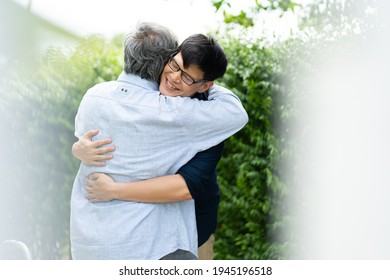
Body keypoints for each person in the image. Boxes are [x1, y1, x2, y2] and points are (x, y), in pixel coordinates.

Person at [71, 22, 248, 260]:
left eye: (186, 76)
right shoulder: (181, 114)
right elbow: (235, 112)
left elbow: (187, 186)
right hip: (153, 247)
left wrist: (110, 186)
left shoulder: (92, 96)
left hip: (90, 242)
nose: (175, 77)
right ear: (166, 60)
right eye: (174, 64)